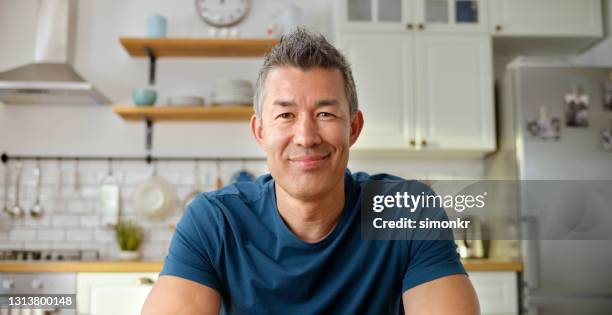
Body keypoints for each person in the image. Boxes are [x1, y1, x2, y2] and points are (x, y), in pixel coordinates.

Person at [142, 28, 479, 315]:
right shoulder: (214, 221)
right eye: (286, 115)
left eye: (325, 114)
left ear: (353, 128)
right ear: (260, 132)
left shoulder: (410, 211)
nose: (305, 137)